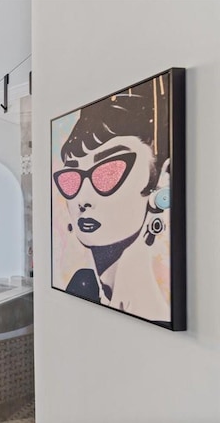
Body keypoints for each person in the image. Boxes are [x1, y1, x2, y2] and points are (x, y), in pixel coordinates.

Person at [52, 74, 171, 322]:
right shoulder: (82, 285)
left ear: (160, 179)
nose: (82, 198)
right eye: (72, 178)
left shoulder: (153, 311)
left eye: (108, 172)